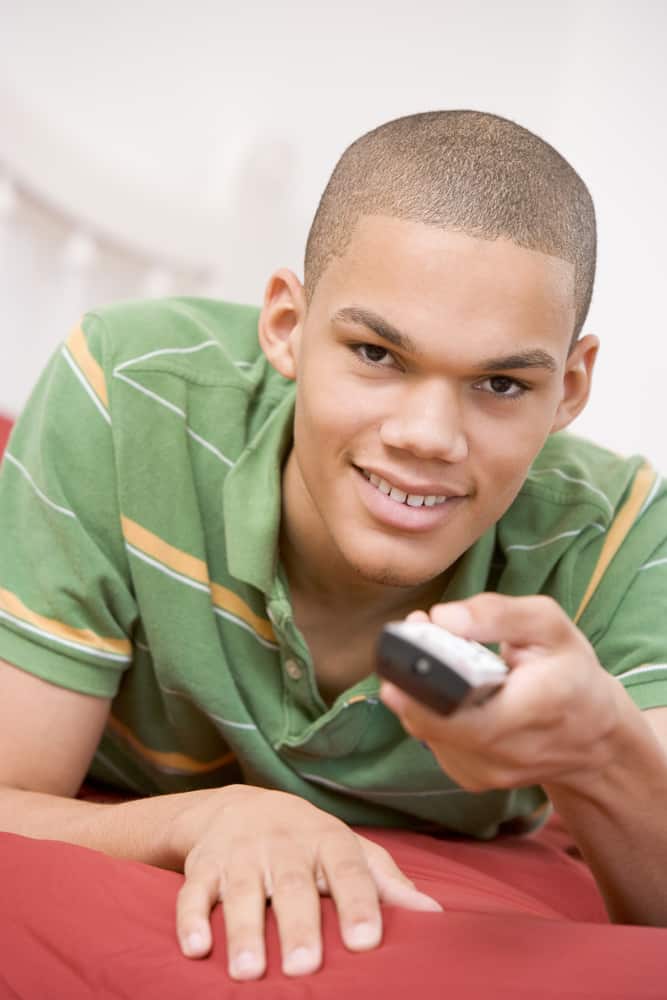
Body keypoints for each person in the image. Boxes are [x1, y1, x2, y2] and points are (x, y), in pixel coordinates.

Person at [1, 110, 666, 985]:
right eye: (376, 353)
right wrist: (199, 819)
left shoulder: (615, 528)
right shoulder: (128, 393)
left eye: (500, 383)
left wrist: (600, 751)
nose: (428, 436)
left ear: (570, 386)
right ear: (284, 326)